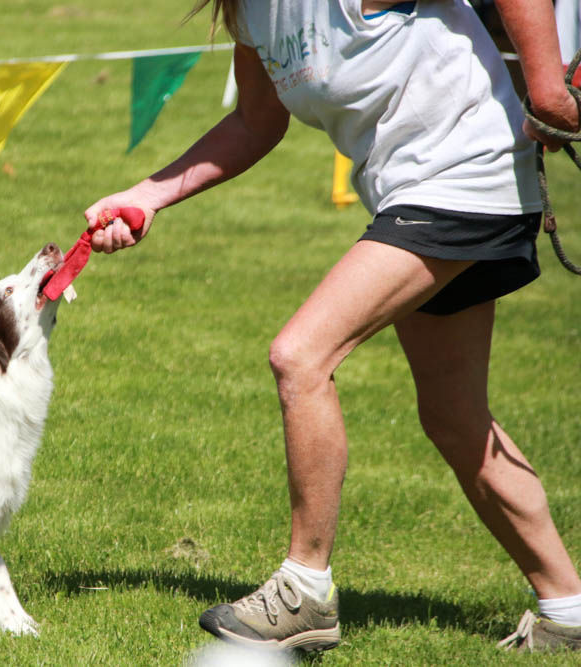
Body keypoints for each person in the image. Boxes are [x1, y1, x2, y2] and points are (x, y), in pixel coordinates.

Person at [84, 0, 581, 654]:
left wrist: (547, 88)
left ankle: (304, 590)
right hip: (413, 192)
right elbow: (256, 123)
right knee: (456, 418)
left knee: (301, 354)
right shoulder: (252, 13)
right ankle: (568, 611)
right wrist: (146, 196)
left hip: (464, 177)